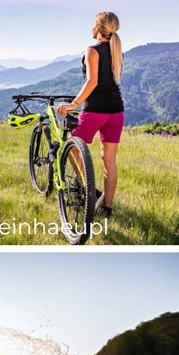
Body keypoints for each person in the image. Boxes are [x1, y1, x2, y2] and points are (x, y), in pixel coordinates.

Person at [56, 12, 123, 218]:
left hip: (95, 110)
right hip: (116, 111)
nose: (91, 28)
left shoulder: (92, 50)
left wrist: (74, 104)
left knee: (70, 148)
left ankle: (90, 190)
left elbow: (91, 82)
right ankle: (107, 208)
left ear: (98, 28)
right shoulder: (117, 50)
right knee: (109, 161)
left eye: (93, 24)